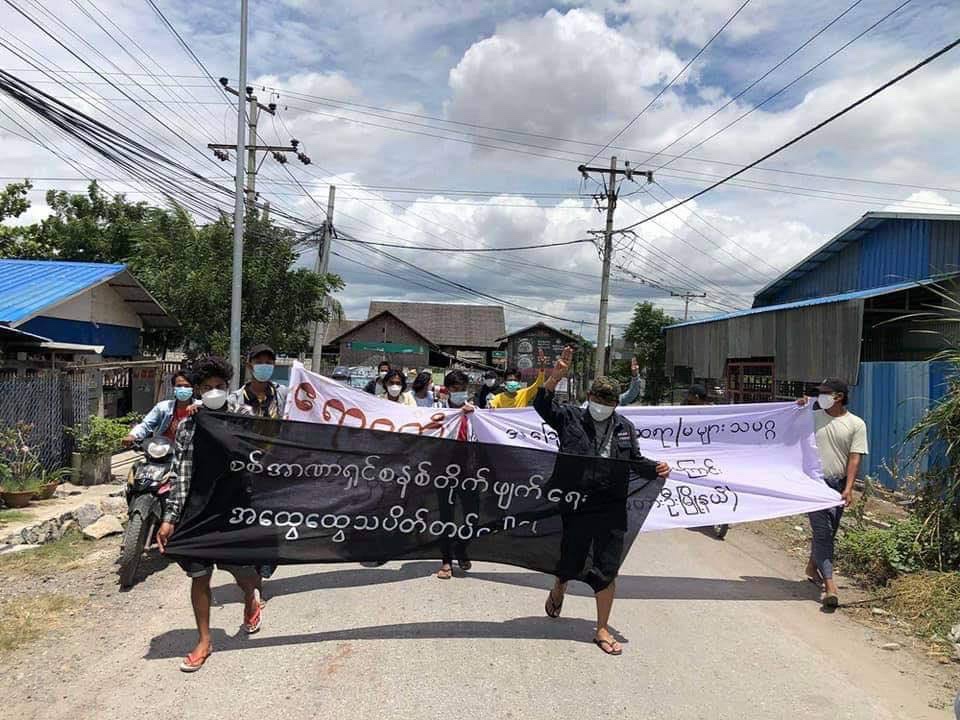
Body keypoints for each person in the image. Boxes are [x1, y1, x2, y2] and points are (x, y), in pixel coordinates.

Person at [535, 346, 670, 656]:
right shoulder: (568, 417)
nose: (602, 407)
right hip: (576, 503)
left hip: (611, 505)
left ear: (615, 404)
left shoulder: (625, 428)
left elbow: (634, 461)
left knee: (608, 567)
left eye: (608, 402)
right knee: (571, 558)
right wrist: (555, 377)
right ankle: (560, 585)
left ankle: (601, 628)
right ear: (589, 397)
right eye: (597, 400)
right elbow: (541, 404)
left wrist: (656, 467)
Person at [156, 356, 260, 673]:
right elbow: (182, 473)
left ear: (227, 388)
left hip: (234, 507)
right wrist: (170, 517)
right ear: (199, 389)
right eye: (207, 388)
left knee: (240, 570)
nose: (214, 392)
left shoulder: (243, 416)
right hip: (198, 508)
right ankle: (204, 640)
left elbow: (258, 453)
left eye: (219, 387)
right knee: (199, 575)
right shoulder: (188, 425)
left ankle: (251, 597)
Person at [797, 378, 868, 608]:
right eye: (818, 394)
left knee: (829, 532)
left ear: (838, 396)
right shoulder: (812, 418)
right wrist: (799, 407)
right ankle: (830, 585)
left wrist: (848, 488)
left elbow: (855, 457)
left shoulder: (856, 424)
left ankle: (811, 566)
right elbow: (788, 427)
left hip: (837, 486)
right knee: (823, 532)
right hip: (813, 484)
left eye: (824, 393)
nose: (820, 397)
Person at [433, 369, 477, 579]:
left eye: (463, 389)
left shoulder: (476, 413)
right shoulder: (438, 410)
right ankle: (446, 561)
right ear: (448, 390)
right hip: (445, 472)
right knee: (446, 516)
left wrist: (475, 415)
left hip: (469, 472)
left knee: (472, 516)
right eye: (455, 389)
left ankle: (461, 548)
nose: (460, 393)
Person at [683, 384, 728, 540]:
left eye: (689, 396)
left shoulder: (710, 411)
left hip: (712, 452)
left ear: (695, 397)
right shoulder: (692, 409)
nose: (687, 399)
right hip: (701, 451)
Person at [122, 370, 195, 446]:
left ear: (193, 388)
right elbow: (146, 425)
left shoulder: (200, 407)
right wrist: (132, 435)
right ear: (174, 388)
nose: (183, 389)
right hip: (163, 450)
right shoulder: (163, 407)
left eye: (186, 386)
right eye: (179, 386)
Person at [230, 344, 289, 419]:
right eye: (259, 362)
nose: (264, 366)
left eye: (268, 363)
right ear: (249, 366)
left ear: (273, 366)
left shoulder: (285, 395)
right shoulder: (234, 399)